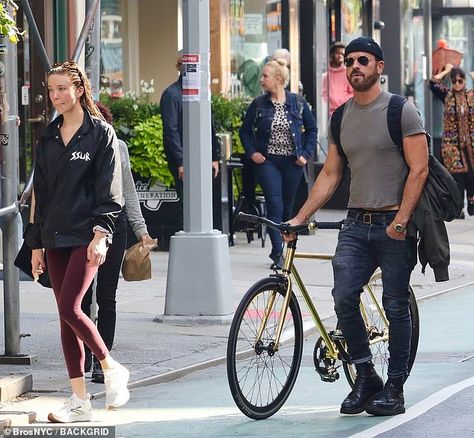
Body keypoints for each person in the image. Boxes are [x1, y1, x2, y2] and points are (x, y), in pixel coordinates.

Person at [285, 37, 429, 416]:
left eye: (363, 60)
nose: (354, 66)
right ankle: (367, 376)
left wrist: (400, 222)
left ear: (380, 66)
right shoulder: (340, 116)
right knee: (343, 296)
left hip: (395, 224)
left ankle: (394, 387)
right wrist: (300, 218)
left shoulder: (402, 111)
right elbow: (330, 175)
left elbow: (420, 169)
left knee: (395, 305)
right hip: (356, 223)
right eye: (349, 61)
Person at [26, 61, 130, 422]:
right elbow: (41, 192)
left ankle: (111, 367)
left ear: (79, 90)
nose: (55, 97)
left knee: (71, 306)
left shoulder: (101, 134)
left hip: (88, 235)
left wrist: (102, 235)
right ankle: (80, 400)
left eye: (62, 89)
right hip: (54, 234)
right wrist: (36, 244)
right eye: (51, 90)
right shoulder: (49, 137)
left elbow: (110, 191)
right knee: (64, 316)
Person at [81, 101, 156, 384]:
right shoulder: (75, 148)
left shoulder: (118, 146)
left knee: (106, 296)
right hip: (84, 225)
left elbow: (129, 191)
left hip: (115, 223)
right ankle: (85, 356)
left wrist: (142, 230)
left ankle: (102, 360)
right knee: (83, 296)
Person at [240, 58, 317, 269]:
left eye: (265, 76)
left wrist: (305, 154)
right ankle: (277, 254)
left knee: (288, 210)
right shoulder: (258, 104)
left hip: (292, 163)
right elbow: (245, 131)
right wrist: (252, 152)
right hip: (268, 162)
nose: (262, 80)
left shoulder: (298, 103)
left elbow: (312, 130)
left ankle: (287, 250)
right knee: (275, 205)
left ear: (278, 79)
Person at [160, 51, 221, 231]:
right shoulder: (171, 95)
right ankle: (185, 237)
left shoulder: (201, 93)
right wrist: (180, 162)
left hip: (199, 156)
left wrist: (214, 156)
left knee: (200, 203)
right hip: (184, 158)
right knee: (187, 204)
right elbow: (170, 131)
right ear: (179, 67)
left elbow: (208, 126)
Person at [428, 63, 474, 218]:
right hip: (453, 146)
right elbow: (432, 83)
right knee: (457, 179)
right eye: (454, 81)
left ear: (465, 82)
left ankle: (472, 200)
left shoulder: (471, 96)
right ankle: (458, 208)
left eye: (460, 81)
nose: (457, 84)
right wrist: (446, 71)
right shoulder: (447, 96)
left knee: (471, 176)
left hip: (471, 146)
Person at [322, 41, 353, 115]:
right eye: (338, 53)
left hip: (345, 111)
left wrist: (342, 103)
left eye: (342, 54)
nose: (340, 56)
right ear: (332, 55)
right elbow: (323, 94)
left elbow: (352, 93)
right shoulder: (326, 74)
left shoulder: (348, 73)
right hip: (328, 113)